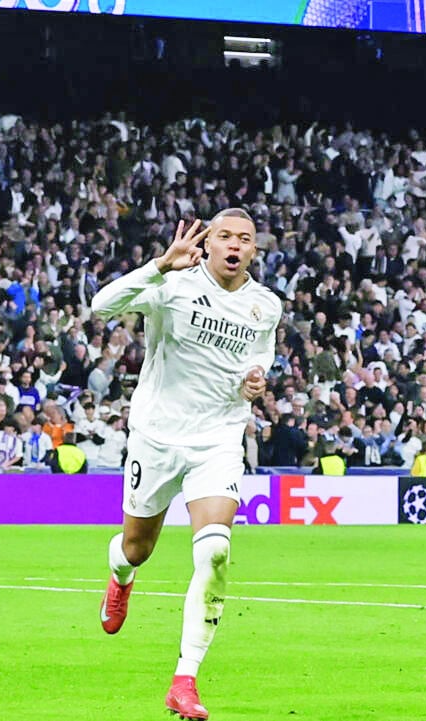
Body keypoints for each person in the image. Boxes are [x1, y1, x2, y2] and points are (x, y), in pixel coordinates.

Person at [90, 210, 282, 720]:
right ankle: (120, 576)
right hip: (156, 436)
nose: (234, 245)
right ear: (210, 243)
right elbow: (99, 306)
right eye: (225, 237)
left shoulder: (266, 305)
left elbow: (258, 355)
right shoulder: (173, 284)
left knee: (216, 550)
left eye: (245, 239)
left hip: (217, 437)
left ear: (253, 250)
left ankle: (185, 678)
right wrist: (158, 266)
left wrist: (255, 378)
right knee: (136, 547)